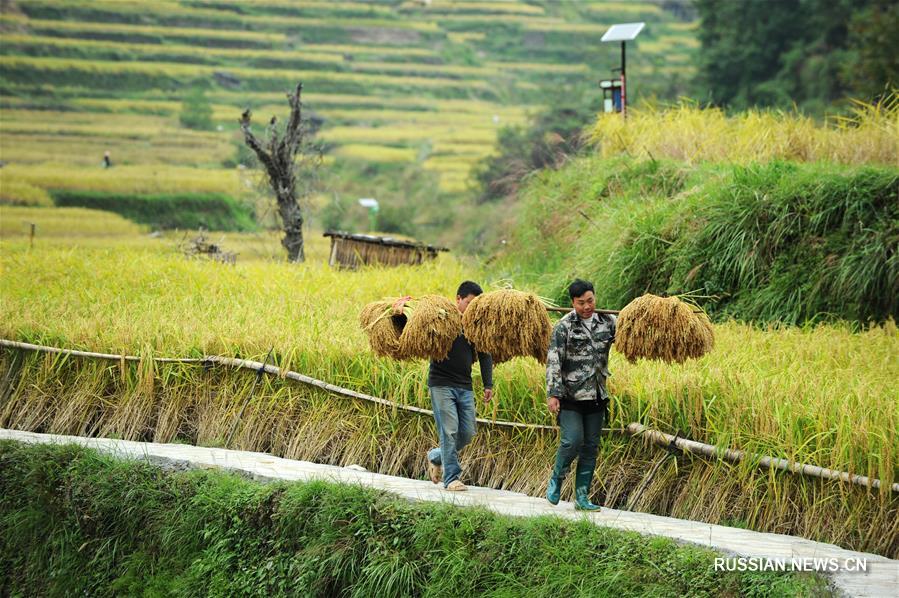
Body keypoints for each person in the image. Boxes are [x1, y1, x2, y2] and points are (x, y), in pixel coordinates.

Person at [412, 281, 494, 491]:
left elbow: (485, 355)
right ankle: (451, 479)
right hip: (441, 384)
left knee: (467, 433)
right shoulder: (442, 318)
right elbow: (418, 326)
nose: (472, 308)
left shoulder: (475, 327)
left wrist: (488, 384)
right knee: (449, 432)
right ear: (458, 299)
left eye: (476, 305)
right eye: (469, 303)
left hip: (465, 386)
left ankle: (436, 456)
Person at [544, 279, 616, 511]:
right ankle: (557, 477)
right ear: (572, 303)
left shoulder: (608, 323)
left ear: (595, 297)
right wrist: (553, 394)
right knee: (572, 440)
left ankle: (582, 497)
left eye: (590, 301)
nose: (587, 306)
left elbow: (633, 335)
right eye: (581, 303)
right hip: (571, 396)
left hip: (596, 394)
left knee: (590, 446)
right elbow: (554, 360)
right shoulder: (565, 326)